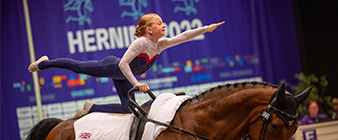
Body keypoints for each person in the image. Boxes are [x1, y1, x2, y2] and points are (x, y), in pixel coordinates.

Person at [28, 13, 225, 118]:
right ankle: (44, 63)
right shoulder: (140, 43)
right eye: (160, 23)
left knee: (128, 110)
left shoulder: (161, 44)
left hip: (123, 75)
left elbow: (183, 37)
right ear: (149, 30)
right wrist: (137, 84)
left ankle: (91, 108)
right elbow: (123, 64)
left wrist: (206, 29)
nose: (164, 25)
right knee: (78, 67)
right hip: (112, 66)